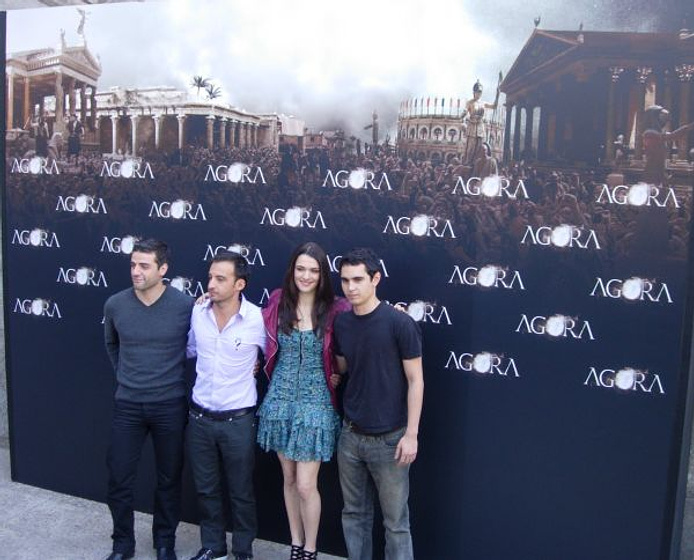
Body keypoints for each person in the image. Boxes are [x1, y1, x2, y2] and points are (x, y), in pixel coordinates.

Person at [257, 242, 350, 560]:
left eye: (313, 270)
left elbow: (352, 346)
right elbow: (252, 325)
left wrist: (338, 371)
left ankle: (310, 549)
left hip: (316, 403)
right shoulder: (277, 301)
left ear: (323, 274)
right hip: (280, 399)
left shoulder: (338, 309)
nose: (306, 276)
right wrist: (206, 299)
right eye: (301, 269)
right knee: (289, 479)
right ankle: (296, 544)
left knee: (307, 485)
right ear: (292, 270)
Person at [103, 239, 194, 560]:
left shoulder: (185, 306)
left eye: (144, 265)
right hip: (128, 404)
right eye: (132, 265)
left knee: (169, 478)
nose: (136, 271)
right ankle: (122, 544)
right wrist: (126, 376)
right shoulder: (115, 304)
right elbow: (112, 345)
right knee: (119, 477)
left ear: (163, 269)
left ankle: (164, 542)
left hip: (169, 404)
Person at [334, 248, 424, 560]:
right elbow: (343, 367)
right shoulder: (342, 323)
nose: (351, 287)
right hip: (350, 436)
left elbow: (416, 380)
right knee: (354, 516)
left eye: (358, 279)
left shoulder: (400, 323)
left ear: (376, 279)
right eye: (345, 280)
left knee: (396, 523)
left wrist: (411, 434)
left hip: (391, 440)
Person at [464, 80, 497, 166]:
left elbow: (494, 106)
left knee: (480, 147)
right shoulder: (470, 102)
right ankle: (468, 163)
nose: (479, 94)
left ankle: (477, 164)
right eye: (477, 91)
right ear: (474, 92)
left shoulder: (483, 103)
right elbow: (465, 111)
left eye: (480, 92)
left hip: (480, 127)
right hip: (472, 126)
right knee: (471, 148)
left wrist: (497, 95)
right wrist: (462, 116)